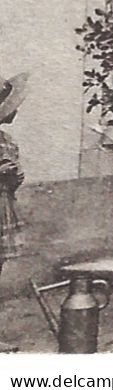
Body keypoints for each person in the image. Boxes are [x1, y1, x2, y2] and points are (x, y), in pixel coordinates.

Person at [0, 73, 27, 351]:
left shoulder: (7, 141)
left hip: (3, 207)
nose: (15, 111)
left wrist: (14, 176)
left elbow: (15, 182)